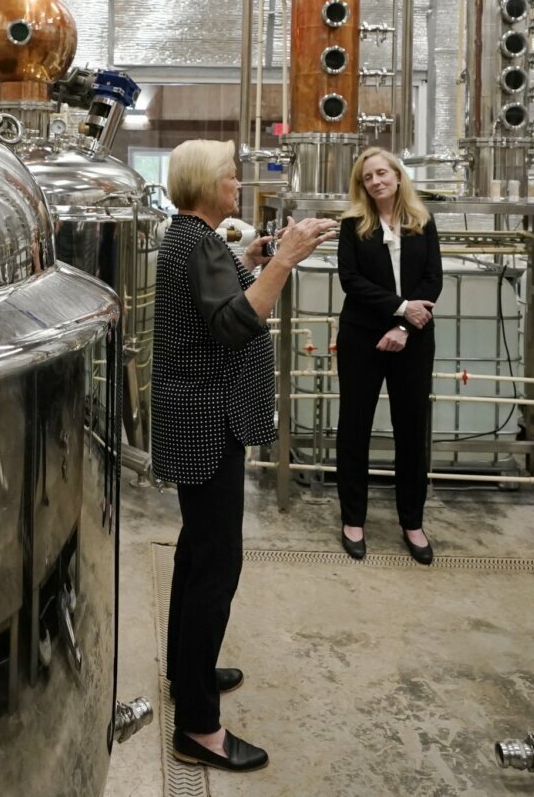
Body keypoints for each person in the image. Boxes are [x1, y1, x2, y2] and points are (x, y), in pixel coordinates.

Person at [152, 138, 335, 774]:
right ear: (207, 185)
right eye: (231, 176)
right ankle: (198, 728)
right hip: (209, 422)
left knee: (196, 550)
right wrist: (283, 260)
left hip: (199, 417)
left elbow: (219, 306)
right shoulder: (198, 243)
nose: (238, 184)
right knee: (216, 565)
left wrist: (249, 263)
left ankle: (187, 673)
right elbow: (234, 326)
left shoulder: (193, 239)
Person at [333, 147, 445, 564]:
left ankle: (412, 522)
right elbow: (350, 280)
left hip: (412, 338)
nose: (376, 181)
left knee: (412, 430)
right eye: (368, 177)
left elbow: (433, 279)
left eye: (382, 173)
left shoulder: (423, 221)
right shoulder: (353, 225)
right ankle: (353, 520)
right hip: (362, 336)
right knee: (354, 426)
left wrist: (404, 327)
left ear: (398, 176)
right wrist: (400, 308)